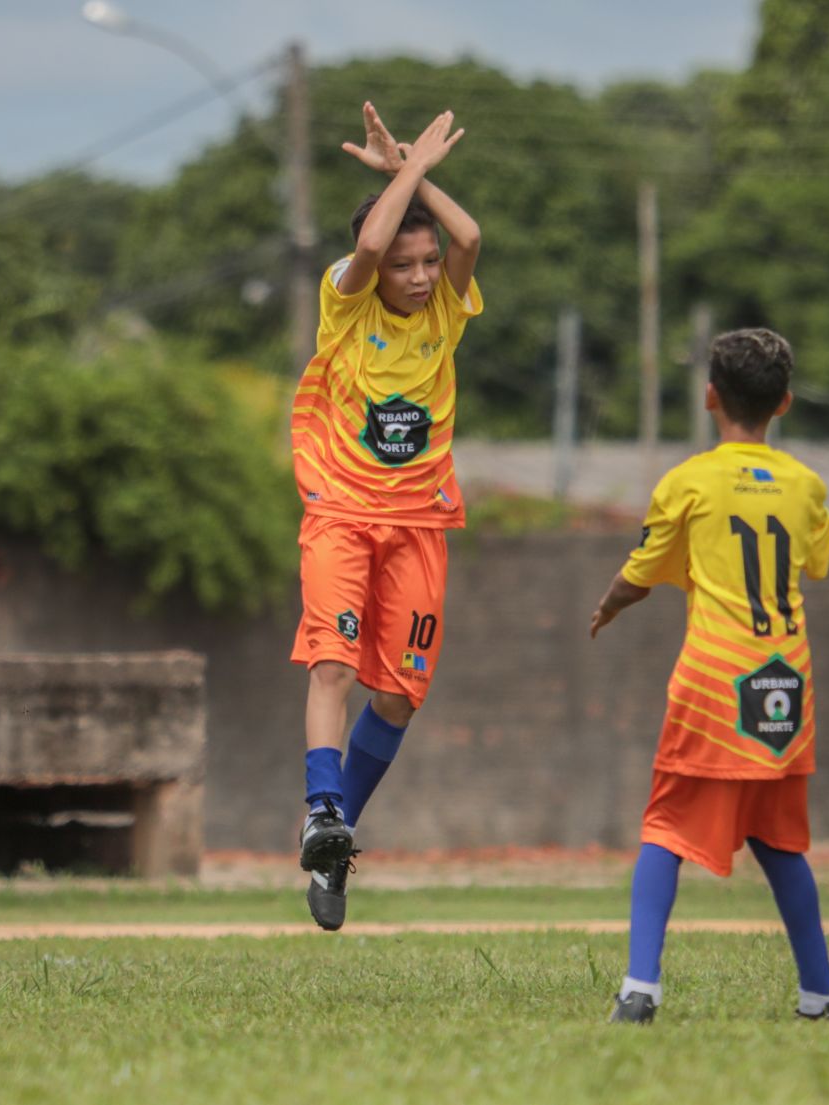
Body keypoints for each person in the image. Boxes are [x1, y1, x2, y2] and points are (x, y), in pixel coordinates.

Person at [589, 328, 829, 1024]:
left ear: (710, 397)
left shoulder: (689, 481)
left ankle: (640, 988)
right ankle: (821, 993)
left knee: (666, 825)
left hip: (713, 678)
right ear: (785, 403)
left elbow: (641, 573)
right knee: (781, 838)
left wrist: (607, 606)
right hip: (787, 683)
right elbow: (816, 561)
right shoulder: (807, 484)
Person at [291, 103, 481, 931]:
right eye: (407, 264)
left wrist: (416, 174)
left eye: (426, 262)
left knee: (401, 695)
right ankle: (320, 806)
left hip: (420, 524)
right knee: (330, 664)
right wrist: (398, 181)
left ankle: (338, 832)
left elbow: (468, 238)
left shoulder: (445, 309)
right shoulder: (350, 304)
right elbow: (369, 248)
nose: (419, 275)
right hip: (341, 513)